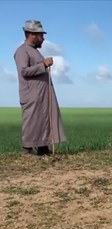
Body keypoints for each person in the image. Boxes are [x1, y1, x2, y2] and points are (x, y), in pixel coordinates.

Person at [14, 20, 66, 157]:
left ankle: (43, 148)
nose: (43, 39)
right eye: (41, 35)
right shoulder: (22, 51)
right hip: (31, 95)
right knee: (32, 121)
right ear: (32, 34)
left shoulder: (34, 51)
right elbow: (24, 71)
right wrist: (43, 64)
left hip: (41, 95)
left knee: (43, 120)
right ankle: (27, 150)